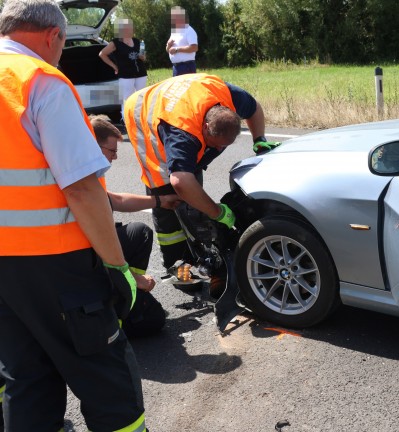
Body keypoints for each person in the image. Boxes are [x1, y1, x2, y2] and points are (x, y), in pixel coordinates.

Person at [0, 0, 146, 430]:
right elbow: (82, 188)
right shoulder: (40, 81)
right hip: (58, 266)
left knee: (26, 381)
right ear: (52, 36)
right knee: (108, 381)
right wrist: (117, 265)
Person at [124, 73, 281, 271]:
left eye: (223, 147)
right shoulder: (182, 134)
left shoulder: (230, 98)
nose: (216, 150)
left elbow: (254, 108)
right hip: (141, 111)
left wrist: (259, 139)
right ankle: (176, 262)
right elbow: (180, 181)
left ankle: (196, 237)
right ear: (205, 127)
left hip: (187, 94)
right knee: (166, 190)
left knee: (191, 188)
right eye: (214, 145)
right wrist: (216, 212)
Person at [90, 114, 178, 338]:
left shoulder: (90, 174)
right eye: (112, 151)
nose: (116, 157)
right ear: (93, 144)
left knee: (139, 232)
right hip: (87, 259)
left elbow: (116, 200)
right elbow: (96, 246)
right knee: (154, 321)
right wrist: (136, 278)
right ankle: (116, 318)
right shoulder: (80, 182)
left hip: (97, 253)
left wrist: (159, 201)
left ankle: (127, 295)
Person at [98, 18, 147, 119]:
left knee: (142, 98)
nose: (129, 29)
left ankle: (141, 118)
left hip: (140, 74)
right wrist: (114, 66)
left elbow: (144, 57)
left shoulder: (137, 41)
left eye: (130, 27)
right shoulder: (116, 43)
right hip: (125, 75)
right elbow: (102, 54)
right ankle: (126, 120)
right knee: (127, 99)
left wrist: (143, 57)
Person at [166, 6, 198, 76]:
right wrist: (168, 45)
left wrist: (177, 49)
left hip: (187, 66)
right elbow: (168, 50)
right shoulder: (174, 31)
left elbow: (194, 48)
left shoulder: (189, 30)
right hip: (176, 67)